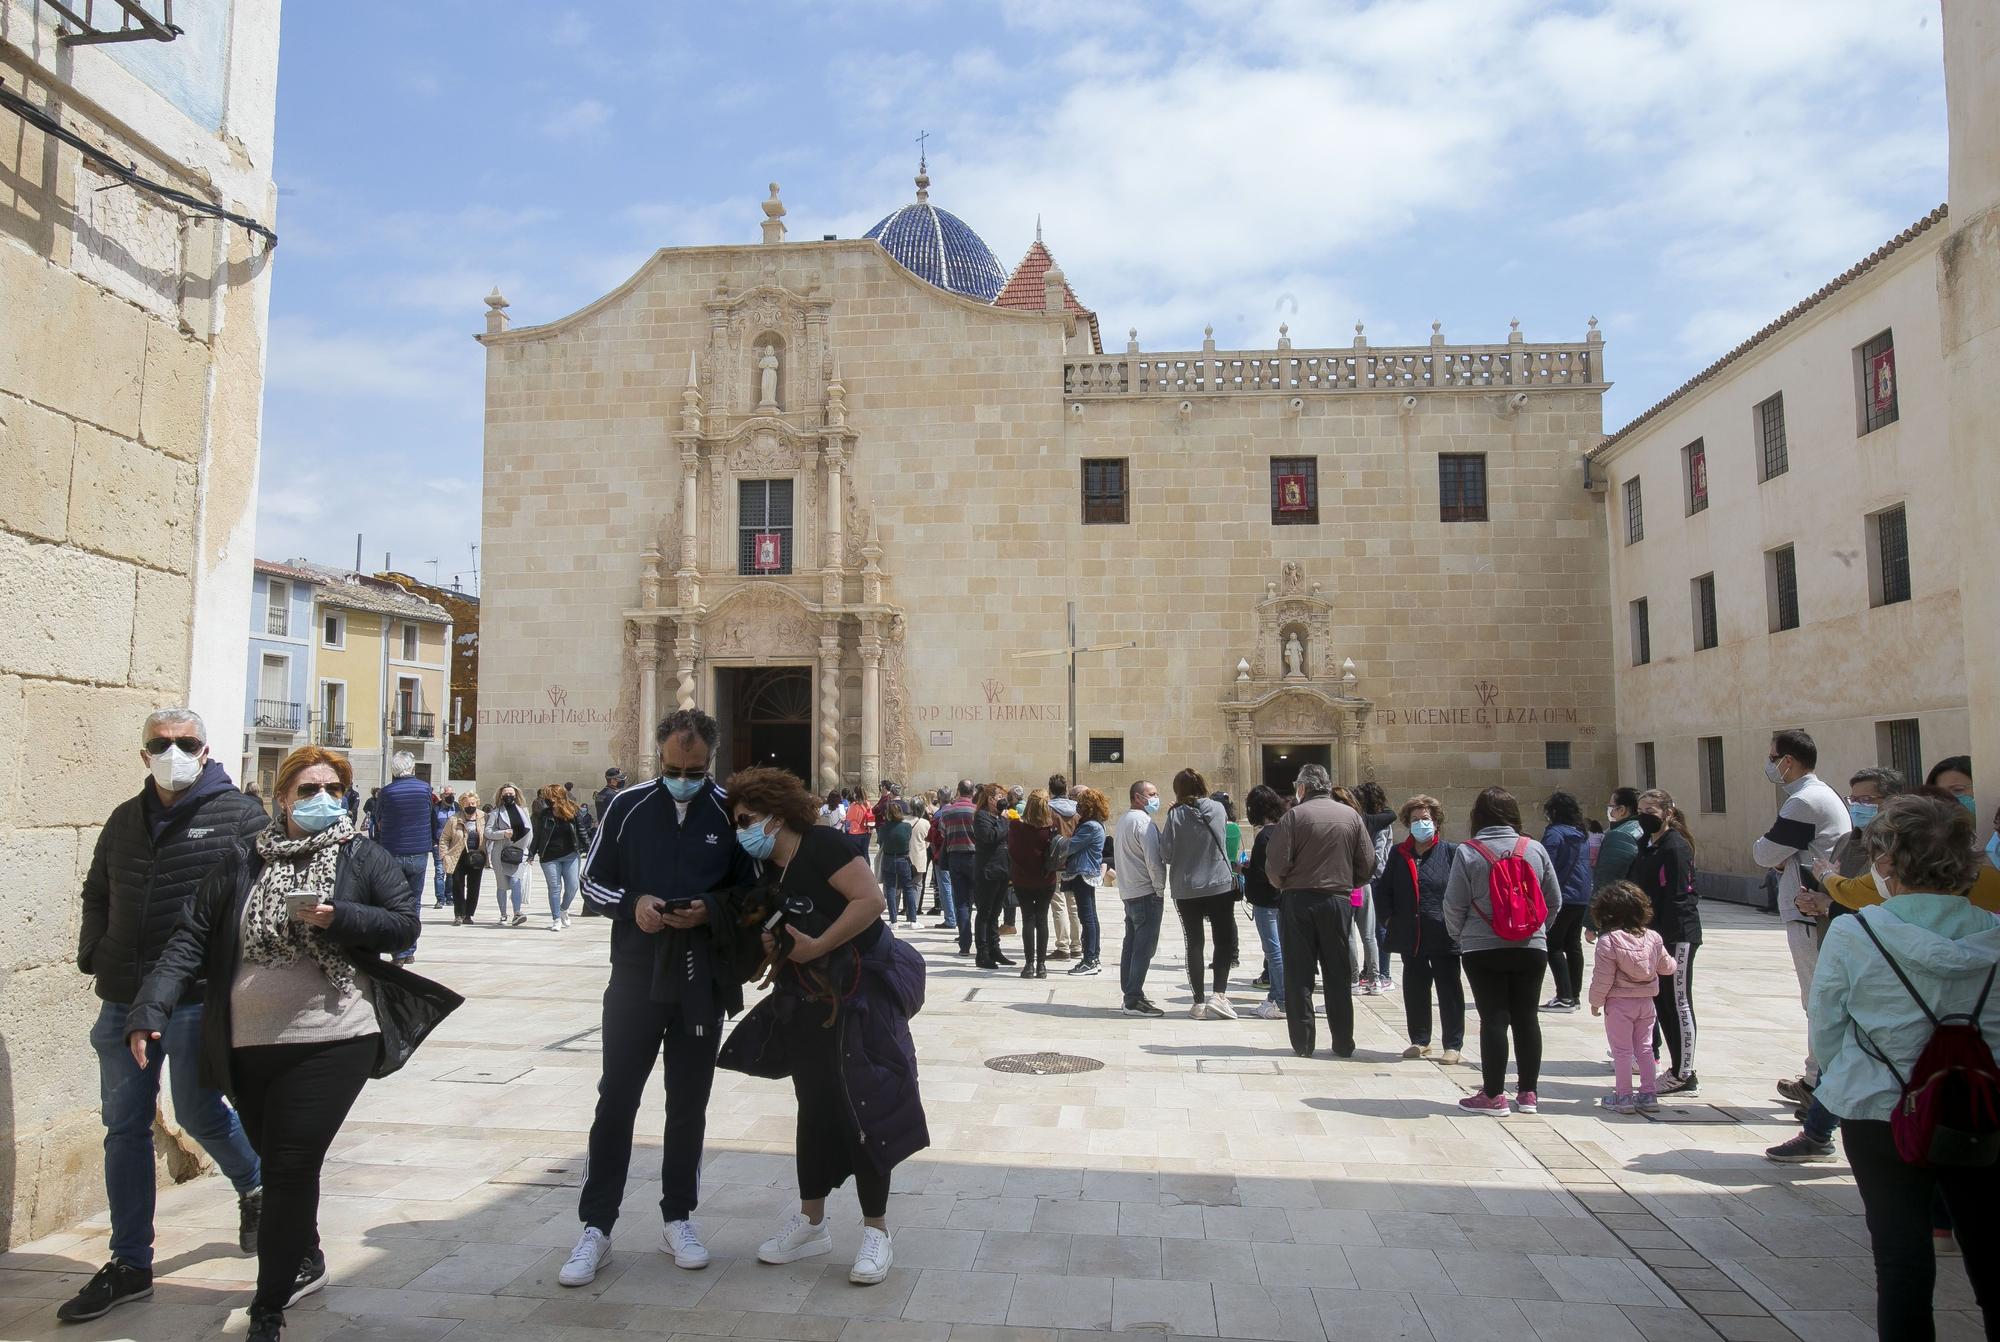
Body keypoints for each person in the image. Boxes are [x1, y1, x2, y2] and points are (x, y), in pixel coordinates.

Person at [121, 744, 455, 1342]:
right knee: (278, 1160)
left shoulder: (363, 855)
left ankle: (267, 1308)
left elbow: (403, 923)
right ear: (281, 798)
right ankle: (307, 1254)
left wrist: (340, 917)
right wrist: (151, 1008)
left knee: (291, 1166)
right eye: (307, 790)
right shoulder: (241, 860)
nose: (322, 799)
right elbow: (190, 938)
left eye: (333, 789)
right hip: (248, 1041)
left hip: (334, 1033)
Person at [60, 709, 269, 1327]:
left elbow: (256, 903)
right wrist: (94, 949)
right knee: (123, 1127)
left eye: (186, 742)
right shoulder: (126, 818)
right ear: (143, 752)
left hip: (198, 994)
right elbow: (97, 888)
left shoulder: (240, 817)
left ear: (206, 751)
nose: (173, 751)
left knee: (200, 1109)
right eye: (161, 742)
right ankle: (130, 1264)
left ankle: (253, 1183)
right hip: (124, 992)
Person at [559, 708, 756, 1288]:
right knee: (615, 1098)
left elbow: (752, 892)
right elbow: (591, 881)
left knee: (688, 1103)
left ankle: (679, 1216)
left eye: (694, 770)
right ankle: (596, 1226)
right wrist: (634, 903)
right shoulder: (627, 806)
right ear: (659, 756)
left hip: (699, 978)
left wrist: (710, 909)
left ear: (709, 763)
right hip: (635, 977)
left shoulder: (728, 810)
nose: (683, 777)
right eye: (673, 767)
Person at [716, 768, 927, 1287]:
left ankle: (877, 1232)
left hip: (860, 1001)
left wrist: (816, 945)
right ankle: (811, 1224)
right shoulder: (767, 869)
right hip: (806, 1003)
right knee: (813, 1108)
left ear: (775, 813)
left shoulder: (824, 845)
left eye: (746, 819)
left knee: (865, 1105)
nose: (742, 830)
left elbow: (871, 902)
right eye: (736, 822)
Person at [1807, 793, 1999, 1340]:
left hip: (1880, 1107)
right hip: (1982, 1105)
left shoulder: (1856, 932)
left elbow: (1827, 1029)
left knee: (1902, 1263)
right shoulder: (1994, 930)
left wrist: (1855, 1073)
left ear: (1887, 861)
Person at [1444, 786, 1564, 1115]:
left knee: (1493, 1018)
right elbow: (1554, 900)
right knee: (1527, 1018)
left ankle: (1493, 1095)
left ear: (1477, 816)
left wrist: (1462, 937)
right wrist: (1536, 931)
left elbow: (1453, 904)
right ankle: (1528, 1094)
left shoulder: (1468, 852)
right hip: (1531, 947)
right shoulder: (1534, 849)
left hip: (1482, 947)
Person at [1751, 729, 1851, 1102]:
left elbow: (1764, 852)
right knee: (1819, 996)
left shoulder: (1803, 802)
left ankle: (1820, 1082)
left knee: (1817, 997)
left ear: (1787, 761)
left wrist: (1778, 857)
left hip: (1810, 909)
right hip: (1818, 903)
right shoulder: (1823, 794)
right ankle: (1815, 1074)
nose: (1771, 764)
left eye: (1773, 757)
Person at [1265, 764, 1376, 1054]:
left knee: (1299, 973)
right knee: (1337, 973)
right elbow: (1367, 863)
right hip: (1337, 900)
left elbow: (1276, 865)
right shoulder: (1351, 816)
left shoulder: (1293, 816)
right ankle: (1342, 1042)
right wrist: (1347, 881)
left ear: (1302, 788)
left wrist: (1285, 884)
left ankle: (1303, 1042)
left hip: (1299, 900)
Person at [1379, 794, 1465, 1063]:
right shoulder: (1398, 854)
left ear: (1436, 821)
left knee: (1449, 990)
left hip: (1443, 933)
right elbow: (1385, 891)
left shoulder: (1451, 852)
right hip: (1411, 933)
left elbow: (1462, 891)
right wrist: (1389, 919)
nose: (1420, 824)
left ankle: (1453, 1044)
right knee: (1415, 988)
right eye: (1415, 820)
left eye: (1425, 819)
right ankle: (1420, 1040)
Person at [1628, 787, 1702, 1094]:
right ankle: (1677, 1067)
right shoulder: (1646, 845)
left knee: (1678, 1001)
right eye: (1641, 812)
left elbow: (1679, 894)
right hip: (1653, 934)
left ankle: (1685, 1072)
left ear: (1668, 813)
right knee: (1663, 1001)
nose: (1645, 817)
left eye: (1652, 812)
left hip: (1676, 935)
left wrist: (1667, 940)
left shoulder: (1675, 846)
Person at [1587, 879, 1678, 1115]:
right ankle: (1648, 1095)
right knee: (1645, 1049)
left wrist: (1596, 1002)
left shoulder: (1608, 942)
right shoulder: (1654, 938)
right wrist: (1673, 963)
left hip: (1618, 1004)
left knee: (1622, 1052)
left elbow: (1603, 978)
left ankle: (1624, 1096)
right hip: (1647, 1003)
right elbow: (1667, 967)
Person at [1164, 769, 1242, 1020]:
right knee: (1223, 940)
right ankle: (1219, 995)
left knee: (1194, 942)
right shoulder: (1218, 809)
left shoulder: (1175, 815)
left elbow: (1166, 853)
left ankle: (1198, 1002)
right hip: (1219, 883)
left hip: (1187, 888)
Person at [370, 751, 438, 965]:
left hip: (393, 852)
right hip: (419, 852)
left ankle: (398, 951)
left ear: (393, 769)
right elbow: (432, 817)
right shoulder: (426, 790)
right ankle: (409, 949)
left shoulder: (387, 792)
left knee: (392, 902)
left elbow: (377, 821)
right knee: (414, 903)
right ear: (413, 767)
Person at [1114, 780, 1168, 1016]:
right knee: (1144, 947)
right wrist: (1159, 889)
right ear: (1138, 797)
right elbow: (1153, 861)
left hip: (1129, 891)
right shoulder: (1144, 823)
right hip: (1145, 892)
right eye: (1152, 794)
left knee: (1132, 944)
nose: (1156, 798)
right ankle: (1133, 999)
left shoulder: (1124, 820)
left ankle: (1130, 992)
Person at [1538, 792, 1593, 1011]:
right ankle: (1574, 995)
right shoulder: (1580, 834)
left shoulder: (1555, 833)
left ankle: (1564, 996)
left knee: (1552, 945)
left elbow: (1546, 864)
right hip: (1580, 896)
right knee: (1573, 944)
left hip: (1562, 894)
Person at [1243, 786, 1289, 1021]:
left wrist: (1245, 870)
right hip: (1283, 899)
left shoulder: (1264, 836)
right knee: (1280, 949)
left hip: (1266, 902)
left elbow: (1263, 872)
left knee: (1273, 951)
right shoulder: (1284, 830)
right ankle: (1279, 996)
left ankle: (1279, 1000)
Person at [1007, 790, 1061, 978]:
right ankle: (1042, 965)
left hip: (1023, 879)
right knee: (1042, 919)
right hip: (1046, 879)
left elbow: (1011, 851)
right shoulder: (1051, 828)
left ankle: (1029, 965)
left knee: (1028, 920)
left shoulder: (1016, 827)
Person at [1058, 786, 1109, 976]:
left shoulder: (1089, 826)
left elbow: (1071, 846)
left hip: (1083, 873)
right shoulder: (1096, 823)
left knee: (1087, 918)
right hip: (1087, 873)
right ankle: (1093, 957)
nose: (1077, 806)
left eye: (1080, 803)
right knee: (1091, 918)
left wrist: (1057, 841)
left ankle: (1090, 959)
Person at [1354, 780, 1398, 991]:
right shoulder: (1368, 821)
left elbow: (1380, 855)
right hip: (1369, 878)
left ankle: (1383, 973)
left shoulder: (1381, 824)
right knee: (1369, 929)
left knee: (1378, 929)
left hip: (1376, 880)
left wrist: (1366, 875)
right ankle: (1369, 970)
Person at [530, 783, 587, 930]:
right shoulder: (544, 814)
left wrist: (590, 848)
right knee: (554, 888)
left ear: (560, 796)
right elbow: (537, 835)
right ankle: (556, 919)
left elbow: (582, 832)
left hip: (570, 855)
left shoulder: (573, 811)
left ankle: (563, 909)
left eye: (551, 797)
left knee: (572, 886)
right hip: (549, 856)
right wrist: (531, 854)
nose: (549, 800)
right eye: (547, 798)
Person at [970, 783, 1015, 969]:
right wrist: (1005, 822)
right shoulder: (981, 817)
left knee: (996, 912)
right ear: (989, 799)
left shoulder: (999, 817)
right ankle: (982, 952)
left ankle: (994, 949)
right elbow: (990, 837)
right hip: (988, 870)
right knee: (985, 913)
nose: (1002, 801)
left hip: (1003, 870)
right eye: (999, 797)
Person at [937, 780, 979, 956]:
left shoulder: (948, 812)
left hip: (955, 857)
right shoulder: (977, 811)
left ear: (958, 791)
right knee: (979, 901)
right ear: (972, 792)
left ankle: (964, 943)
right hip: (975, 858)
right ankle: (982, 941)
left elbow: (942, 833)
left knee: (961, 902)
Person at [486, 783, 534, 928]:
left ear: (516, 795)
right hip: (500, 852)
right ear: (501, 795)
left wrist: (529, 852)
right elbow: (487, 832)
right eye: (506, 793)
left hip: (518, 851)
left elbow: (530, 831)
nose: (508, 796)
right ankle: (503, 914)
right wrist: (503, 833)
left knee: (515, 881)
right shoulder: (496, 813)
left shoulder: (523, 810)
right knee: (502, 885)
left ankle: (517, 913)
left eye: (511, 793)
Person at [1047, 775, 1082, 958]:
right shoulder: (1077, 810)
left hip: (1056, 861)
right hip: (1074, 861)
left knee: (1058, 903)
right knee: (1074, 905)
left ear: (1050, 789)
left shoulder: (1049, 809)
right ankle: (1077, 945)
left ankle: (1063, 946)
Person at [438, 794, 486, 925]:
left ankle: (469, 915)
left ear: (477, 803)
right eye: (467, 804)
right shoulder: (454, 819)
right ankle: (459, 914)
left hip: (476, 856)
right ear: (462, 804)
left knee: (474, 887)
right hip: (458, 855)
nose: (470, 806)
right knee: (457, 886)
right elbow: (444, 838)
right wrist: (444, 855)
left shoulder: (483, 817)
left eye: (473, 803)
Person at [1595, 787, 1645, 893]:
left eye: (1611, 806)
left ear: (1622, 810)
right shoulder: (1646, 829)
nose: (1610, 812)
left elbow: (1607, 883)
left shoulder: (1619, 835)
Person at [877, 800, 918, 924]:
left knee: (890, 888)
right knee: (908, 888)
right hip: (903, 858)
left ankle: (893, 921)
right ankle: (913, 920)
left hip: (888, 858)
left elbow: (880, 841)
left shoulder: (883, 828)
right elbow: (908, 838)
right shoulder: (906, 826)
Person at [430, 790, 458, 908]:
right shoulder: (435, 809)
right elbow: (430, 825)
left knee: (451, 872)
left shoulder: (457, 808)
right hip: (439, 844)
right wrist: (433, 842)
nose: (450, 796)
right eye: (447, 794)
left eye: (452, 793)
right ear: (442, 796)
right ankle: (440, 899)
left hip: (454, 845)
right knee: (440, 871)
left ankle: (449, 897)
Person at [907, 798, 933, 918]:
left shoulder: (904, 821)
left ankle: (906, 907)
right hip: (919, 855)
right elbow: (927, 842)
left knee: (906, 884)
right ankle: (914, 909)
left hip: (906, 856)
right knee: (917, 884)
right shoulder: (925, 823)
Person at [842, 787, 875, 863]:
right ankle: (867, 870)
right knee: (865, 853)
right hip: (867, 831)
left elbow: (849, 818)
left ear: (855, 794)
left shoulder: (854, 805)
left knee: (855, 854)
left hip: (855, 832)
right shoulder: (868, 803)